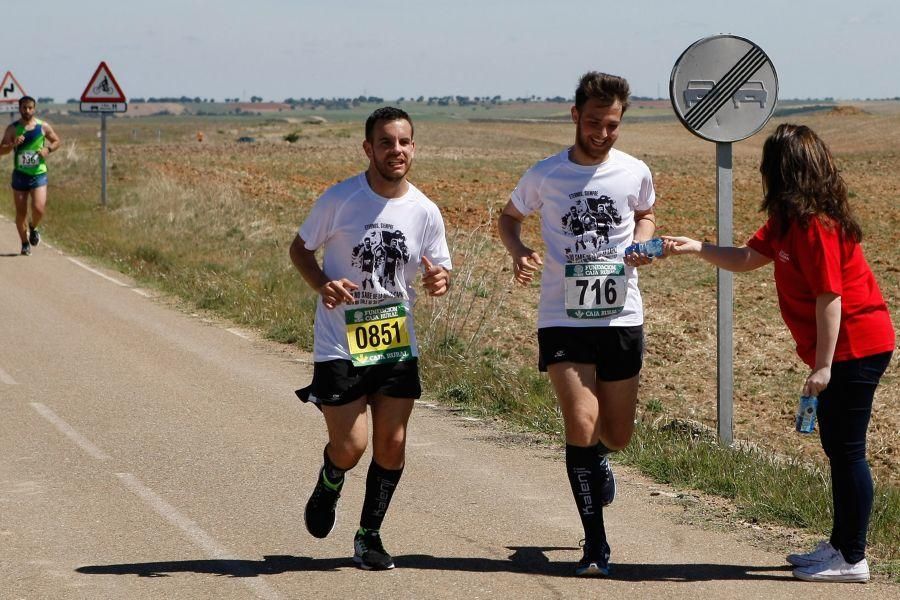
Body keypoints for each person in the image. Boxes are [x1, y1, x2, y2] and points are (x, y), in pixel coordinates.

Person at [664, 123, 894, 583]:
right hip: (843, 350)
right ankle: (840, 545)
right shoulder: (788, 222)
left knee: (848, 451)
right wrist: (697, 248)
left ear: (782, 170)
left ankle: (852, 557)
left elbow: (831, 297)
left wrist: (824, 366)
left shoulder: (816, 228)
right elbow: (748, 258)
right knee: (836, 448)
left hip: (856, 347)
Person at [497, 72, 659, 577]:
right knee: (581, 423)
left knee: (618, 433)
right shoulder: (545, 174)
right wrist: (519, 250)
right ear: (575, 116)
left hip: (620, 314)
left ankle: (600, 461)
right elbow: (509, 217)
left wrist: (643, 242)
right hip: (561, 317)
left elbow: (646, 213)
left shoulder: (634, 172)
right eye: (593, 122)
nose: (602, 133)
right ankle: (595, 545)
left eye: (612, 124)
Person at [290, 106, 452, 571]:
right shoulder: (341, 199)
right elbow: (299, 249)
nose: (395, 150)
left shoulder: (424, 210)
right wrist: (322, 282)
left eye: (403, 142)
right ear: (368, 149)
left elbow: (440, 269)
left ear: (413, 148)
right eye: (385, 142)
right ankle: (330, 479)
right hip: (340, 342)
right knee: (351, 447)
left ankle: (369, 535)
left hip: (395, 339)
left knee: (392, 444)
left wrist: (441, 281)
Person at [0, 96, 61, 256]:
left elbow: (56, 141)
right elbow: (1, 150)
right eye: (24, 108)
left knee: (39, 208)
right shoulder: (12, 129)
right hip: (20, 175)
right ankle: (24, 243)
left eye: (30, 108)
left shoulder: (42, 126)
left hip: (38, 173)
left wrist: (47, 150)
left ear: (34, 109)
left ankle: (33, 227)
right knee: (20, 213)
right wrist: (13, 144)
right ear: (19, 108)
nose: (27, 111)